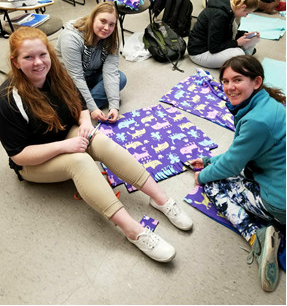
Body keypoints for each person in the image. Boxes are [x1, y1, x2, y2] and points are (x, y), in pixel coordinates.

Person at [0, 27, 193, 263]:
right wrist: (65, 147)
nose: (38, 62)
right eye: (28, 57)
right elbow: (19, 156)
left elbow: (81, 106)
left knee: (98, 140)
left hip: (63, 135)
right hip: (34, 160)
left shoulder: (58, 74)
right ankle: (135, 232)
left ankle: (160, 199)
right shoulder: (7, 99)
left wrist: (84, 124)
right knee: (80, 161)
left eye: (42, 54)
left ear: (50, 54)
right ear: (15, 62)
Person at [190, 55, 286, 292]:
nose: (229, 87)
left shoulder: (255, 121)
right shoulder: (271, 104)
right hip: (275, 176)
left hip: (280, 203)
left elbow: (232, 165)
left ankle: (257, 237)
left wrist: (202, 175)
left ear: (257, 82)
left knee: (213, 184)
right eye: (225, 81)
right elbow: (242, 153)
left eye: (237, 79)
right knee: (229, 168)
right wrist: (208, 159)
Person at [56, 2, 126, 124]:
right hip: (68, 79)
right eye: (103, 21)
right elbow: (76, 77)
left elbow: (110, 72)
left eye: (111, 24)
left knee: (121, 78)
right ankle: (79, 107)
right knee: (68, 94)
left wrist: (114, 106)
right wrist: (93, 108)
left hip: (91, 74)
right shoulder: (71, 37)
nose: (106, 28)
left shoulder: (111, 38)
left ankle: (78, 106)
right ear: (92, 18)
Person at [188, 0, 260, 69]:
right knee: (238, 53)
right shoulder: (219, 15)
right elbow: (214, 47)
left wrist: (243, 34)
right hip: (200, 52)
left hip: (211, 45)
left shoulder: (230, 7)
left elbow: (225, 32)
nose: (245, 16)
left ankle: (244, 60)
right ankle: (244, 60)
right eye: (247, 13)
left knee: (251, 39)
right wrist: (236, 43)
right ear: (242, 7)